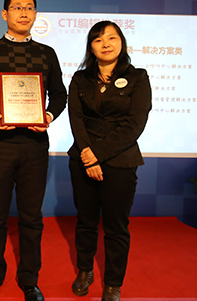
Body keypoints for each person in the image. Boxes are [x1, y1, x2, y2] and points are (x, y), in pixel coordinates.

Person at [0, 0, 67, 301]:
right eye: (17, 7)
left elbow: (60, 94)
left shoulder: (47, 53)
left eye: (29, 8)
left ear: (35, 14)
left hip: (35, 145)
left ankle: (29, 279)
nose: (23, 13)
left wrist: (48, 114)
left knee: (31, 217)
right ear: (4, 14)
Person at [68, 21, 151, 301]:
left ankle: (114, 282)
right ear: (91, 47)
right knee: (86, 221)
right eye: (98, 39)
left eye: (112, 38)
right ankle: (85, 270)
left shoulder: (138, 77)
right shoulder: (80, 79)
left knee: (116, 226)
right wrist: (87, 156)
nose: (106, 44)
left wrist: (98, 154)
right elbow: (76, 119)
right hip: (82, 159)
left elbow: (135, 124)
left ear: (122, 43)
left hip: (120, 161)